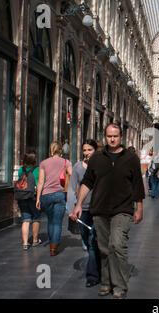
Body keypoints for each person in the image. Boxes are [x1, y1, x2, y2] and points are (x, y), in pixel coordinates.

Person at [70, 123, 144, 299]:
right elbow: (87, 182)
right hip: (100, 209)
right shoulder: (96, 158)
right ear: (105, 137)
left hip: (123, 209)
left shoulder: (131, 158)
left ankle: (119, 286)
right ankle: (105, 282)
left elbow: (137, 186)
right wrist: (78, 204)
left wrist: (139, 208)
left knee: (117, 245)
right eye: (109, 136)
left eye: (115, 136)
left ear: (121, 137)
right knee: (103, 248)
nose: (112, 139)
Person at [67, 139, 101, 288]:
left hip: (98, 209)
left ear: (95, 150)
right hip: (82, 210)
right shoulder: (77, 167)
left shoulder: (101, 166)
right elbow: (71, 188)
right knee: (87, 241)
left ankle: (93, 276)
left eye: (89, 150)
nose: (86, 153)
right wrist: (71, 208)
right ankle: (98, 265)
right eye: (84, 150)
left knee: (93, 242)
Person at [36, 141, 72, 256]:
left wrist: (38, 198)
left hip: (46, 194)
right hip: (60, 194)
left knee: (50, 220)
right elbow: (72, 175)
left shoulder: (44, 163)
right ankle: (53, 248)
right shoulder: (66, 162)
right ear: (60, 150)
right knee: (57, 222)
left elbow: (41, 182)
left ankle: (52, 241)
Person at [17, 152, 41, 250]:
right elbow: (40, 184)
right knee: (36, 217)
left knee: (25, 219)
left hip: (22, 196)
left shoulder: (20, 170)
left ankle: (25, 243)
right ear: (35, 160)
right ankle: (35, 240)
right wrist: (39, 198)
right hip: (33, 196)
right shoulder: (37, 170)